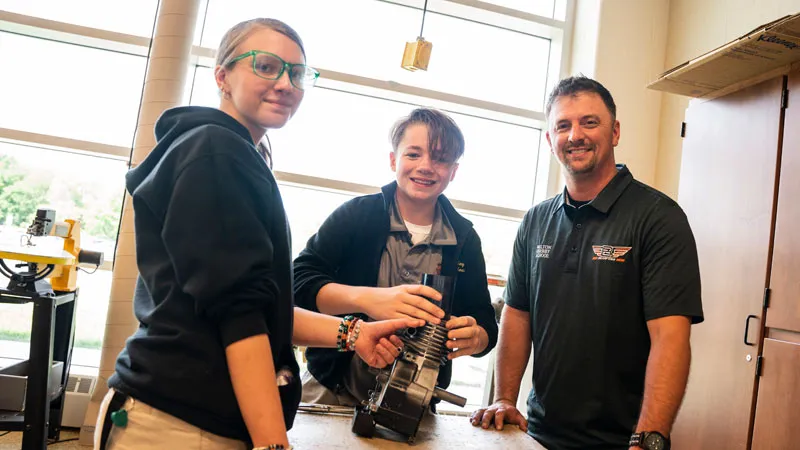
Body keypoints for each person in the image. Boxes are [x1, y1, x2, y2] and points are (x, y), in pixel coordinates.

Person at [95, 18, 422, 450]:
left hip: (193, 415)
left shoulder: (233, 153)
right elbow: (238, 313)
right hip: (178, 422)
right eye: (266, 66)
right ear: (222, 75)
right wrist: (273, 444)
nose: (286, 83)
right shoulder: (216, 150)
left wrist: (353, 334)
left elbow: (261, 305)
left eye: (297, 73)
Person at [470, 76, 704, 450]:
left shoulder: (659, 218)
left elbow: (670, 337)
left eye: (589, 122)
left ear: (615, 132)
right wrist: (505, 399)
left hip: (621, 441)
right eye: (563, 125)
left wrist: (649, 436)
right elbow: (517, 315)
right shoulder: (535, 221)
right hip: (537, 434)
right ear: (550, 140)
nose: (575, 135)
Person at [294, 108, 499, 407]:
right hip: (330, 389)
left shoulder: (465, 239)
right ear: (393, 160)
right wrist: (367, 299)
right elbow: (299, 284)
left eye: (440, 158)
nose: (426, 166)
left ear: (453, 171)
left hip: (415, 403)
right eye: (414, 154)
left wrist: (476, 336)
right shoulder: (355, 216)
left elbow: (485, 328)